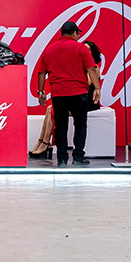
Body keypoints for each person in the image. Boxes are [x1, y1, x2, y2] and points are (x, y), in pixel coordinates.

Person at [34, 21, 100, 166]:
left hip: (58, 93)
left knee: (61, 126)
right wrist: (97, 88)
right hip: (79, 92)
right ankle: (78, 156)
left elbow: (41, 72)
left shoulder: (49, 50)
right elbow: (91, 69)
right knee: (80, 124)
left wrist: (41, 92)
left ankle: (62, 159)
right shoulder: (81, 48)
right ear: (75, 33)